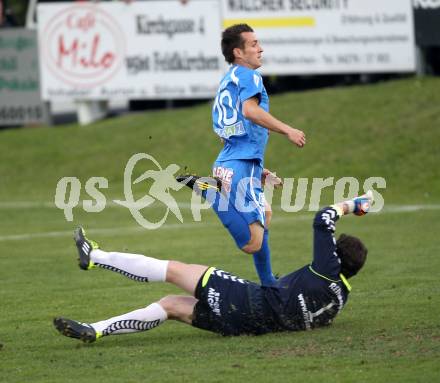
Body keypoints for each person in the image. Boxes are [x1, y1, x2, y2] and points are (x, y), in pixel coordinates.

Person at [53, 192, 372, 342]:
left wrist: (354, 205)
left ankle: (94, 257)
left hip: (247, 300)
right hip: (247, 326)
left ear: (336, 257)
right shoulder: (340, 296)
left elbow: (323, 218)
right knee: (171, 306)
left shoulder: (327, 267)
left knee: (173, 270)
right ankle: (96, 329)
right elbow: (284, 289)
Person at [177, 24, 306, 287]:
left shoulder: (229, 79)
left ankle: (268, 282)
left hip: (233, 162)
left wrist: (259, 171)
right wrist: (287, 130)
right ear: (238, 52)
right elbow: (250, 111)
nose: (260, 48)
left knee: (266, 214)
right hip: (235, 167)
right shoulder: (249, 76)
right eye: (254, 44)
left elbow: (234, 132)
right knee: (251, 243)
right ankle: (207, 190)